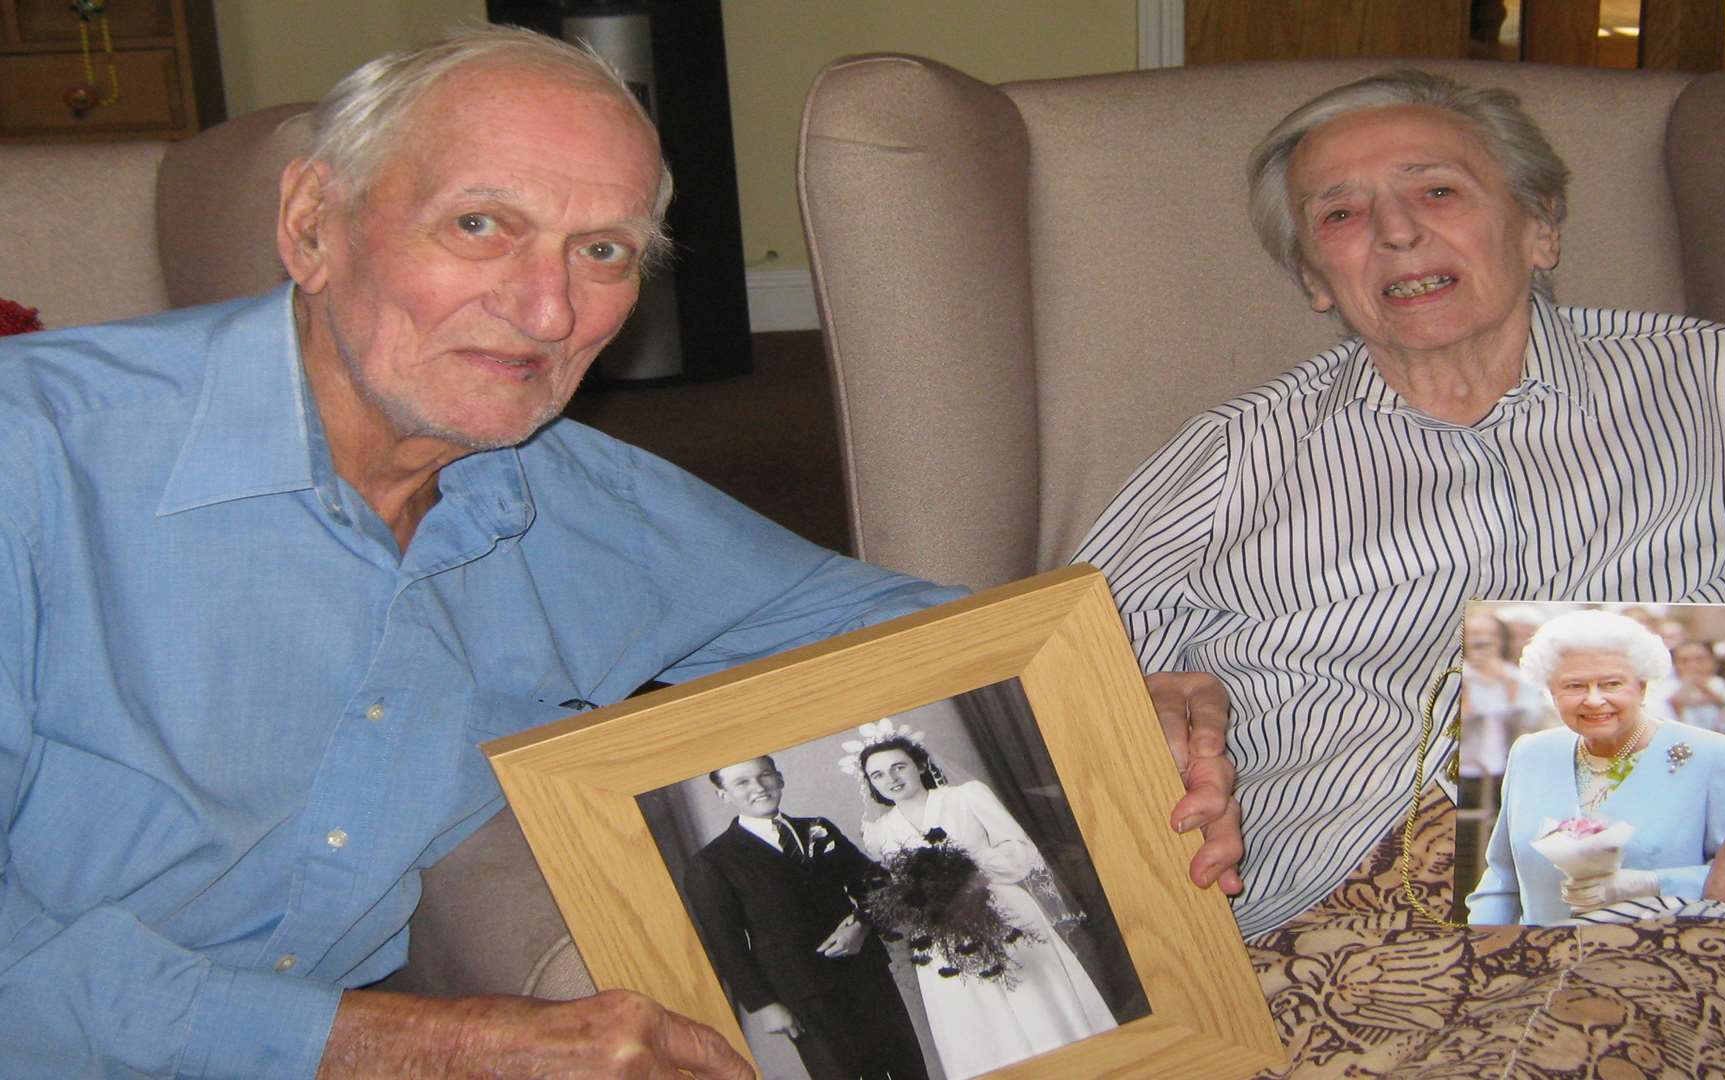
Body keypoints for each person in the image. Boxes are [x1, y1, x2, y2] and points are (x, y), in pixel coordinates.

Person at [0, 28, 1244, 1079]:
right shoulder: (35, 455)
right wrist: (432, 1044)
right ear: (313, 223)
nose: (549, 313)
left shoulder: (582, 503)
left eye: (601, 253)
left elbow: (889, 625)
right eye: (482, 224)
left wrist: (1128, 692)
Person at [1073, 68, 1725, 1070]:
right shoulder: (1227, 462)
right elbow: (1029, 690)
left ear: (1537, 229)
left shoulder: (1711, 387)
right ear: (1313, 278)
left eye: (1436, 190)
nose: (1394, 233)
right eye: (1340, 214)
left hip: (1692, 919)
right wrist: (1155, 707)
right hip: (1322, 936)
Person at [1465, 611, 1725, 925]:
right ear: (1551, 692)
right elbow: (1501, 880)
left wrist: (1651, 883)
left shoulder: (1714, 756)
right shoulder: (1530, 752)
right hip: (1539, 963)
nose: (1593, 700)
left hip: (1660, 960)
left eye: (1611, 684)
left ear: (1642, 687)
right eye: (1574, 686)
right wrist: (1483, 947)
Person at [856, 734, 1116, 1079]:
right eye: (879, 775)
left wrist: (965, 867)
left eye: (898, 766)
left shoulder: (965, 797)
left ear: (919, 764)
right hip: (941, 933)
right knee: (978, 1020)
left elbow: (1022, 852)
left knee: (1035, 1001)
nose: (891, 779)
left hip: (1002, 910)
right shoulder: (879, 831)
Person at [684, 757, 926, 1080]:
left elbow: (876, 882)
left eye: (765, 775)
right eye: (742, 782)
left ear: (780, 779)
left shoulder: (818, 828)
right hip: (803, 994)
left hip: (866, 975)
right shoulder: (712, 862)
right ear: (723, 794)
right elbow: (726, 945)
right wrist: (764, 1005)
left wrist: (861, 923)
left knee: (907, 1067)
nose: (758, 787)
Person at [1455, 610, 1553, 779]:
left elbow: (1530, 723)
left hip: (1505, 770)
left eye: (1491, 634)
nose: (1483, 640)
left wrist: (1510, 687)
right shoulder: (1452, 676)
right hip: (1462, 770)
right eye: (1475, 634)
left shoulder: (1518, 677)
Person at [1647, 638, 1725, 742]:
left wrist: (1721, 704)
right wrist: (1676, 707)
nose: (1692, 666)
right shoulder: (1659, 695)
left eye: (1699, 659)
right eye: (1684, 661)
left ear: (1714, 663)